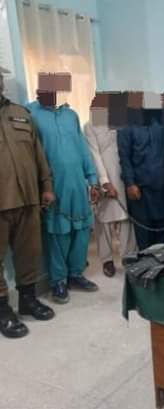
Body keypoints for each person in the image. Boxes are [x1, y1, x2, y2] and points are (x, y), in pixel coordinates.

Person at [28, 85, 100, 303]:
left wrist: (93, 179)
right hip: (53, 185)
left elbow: (82, 147)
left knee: (82, 230)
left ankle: (76, 274)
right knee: (58, 233)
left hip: (78, 183)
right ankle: (58, 281)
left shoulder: (71, 115)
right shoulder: (30, 113)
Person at [0, 68, 56, 338]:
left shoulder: (21, 114)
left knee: (29, 253)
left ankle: (27, 299)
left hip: (27, 199)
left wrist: (47, 186)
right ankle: (2, 310)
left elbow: (38, 155)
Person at [84, 92, 136, 277]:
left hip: (123, 175)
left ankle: (129, 256)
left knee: (126, 217)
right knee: (103, 219)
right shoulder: (89, 126)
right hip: (103, 177)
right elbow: (94, 155)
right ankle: (107, 259)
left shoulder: (120, 122)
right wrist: (104, 182)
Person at [118, 99, 164, 249]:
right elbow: (124, 157)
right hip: (140, 191)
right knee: (144, 237)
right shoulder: (126, 126)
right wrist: (130, 183)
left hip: (163, 189)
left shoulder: (163, 123)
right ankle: (146, 263)